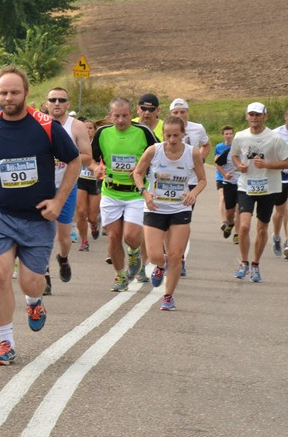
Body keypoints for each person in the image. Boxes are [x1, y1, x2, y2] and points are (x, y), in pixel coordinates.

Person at [0, 66, 79, 366]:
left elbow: (74, 161)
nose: (8, 97)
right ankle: (5, 343)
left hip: (38, 217)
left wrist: (58, 200)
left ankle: (34, 302)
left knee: (30, 282)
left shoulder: (46, 126)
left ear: (27, 94)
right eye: (3, 92)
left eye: (14, 92)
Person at [132, 116, 207, 311]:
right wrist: (145, 193)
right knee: (156, 254)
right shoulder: (154, 150)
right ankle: (159, 266)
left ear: (183, 134)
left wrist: (193, 193)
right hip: (155, 207)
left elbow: (202, 180)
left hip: (179, 208)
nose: (172, 139)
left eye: (176, 135)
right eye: (168, 135)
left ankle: (168, 296)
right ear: (163, 134)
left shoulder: (193, 153)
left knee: (175, 255)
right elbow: (137, 173)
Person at [91, 98, 157, 291]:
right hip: (111, 192)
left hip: (135, 193)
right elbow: (90, 157)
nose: (120, 120)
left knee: (130, 236)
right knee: (113, 236)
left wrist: (141, 167)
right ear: (110, 116)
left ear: (131, 115)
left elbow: (159, 154)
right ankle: (120, 276)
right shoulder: (102, 133)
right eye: (116, 116)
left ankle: (134, 252)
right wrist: (95, 168)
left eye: (125, 116)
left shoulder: (143, 132)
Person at [229, 102, 288, 283]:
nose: (254, 118)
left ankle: (255, 264)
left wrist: (267, 165)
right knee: (245, 226)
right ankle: (244, 263)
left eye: (258, 115)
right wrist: (239, 165)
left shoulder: (275, 138)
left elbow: (287, 162)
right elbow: (234, 155)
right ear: (247, 116)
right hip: (246, 186)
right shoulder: (240, 136)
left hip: (268, 187)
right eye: (251, 115)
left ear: (265, 116)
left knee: (262, 229)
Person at [46, 87, 93, 288]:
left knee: (63, 237)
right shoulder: (37, 123)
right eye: (53, 100)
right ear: (46, 103)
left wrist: (66, 156)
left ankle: (63, 258)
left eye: (61, 100)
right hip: (41, 188)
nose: (57, 103)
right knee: (42, 234)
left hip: (66, 187)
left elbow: (87, 157)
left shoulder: (77, 126)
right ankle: (44, 275)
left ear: (68, 104)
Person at [74, 117, 102, 252]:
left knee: (91, 216)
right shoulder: (76, 143)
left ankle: (95, 224)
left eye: (90, 128)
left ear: (95, 131)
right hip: (80, 180)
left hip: (95, 182)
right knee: (80, 212)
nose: (87, 130)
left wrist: (98, 168)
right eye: (85, 127)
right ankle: (84, 241)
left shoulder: (99, 144)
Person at [214, 125, 239, 241]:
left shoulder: (236, 146)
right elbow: (216, 160)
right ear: (223, 135)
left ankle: (237, 233)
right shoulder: (219, 146)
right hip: (221, 177)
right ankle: (224, 221)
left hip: (236, 179)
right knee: (223, 198)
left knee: (238, 208)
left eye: (230, 134)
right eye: (226, 134)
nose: (228, 136)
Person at [272, 105, 288, 259]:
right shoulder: (276, 134)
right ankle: (277, 236)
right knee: (280, 213)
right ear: (285, 117)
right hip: (279, 177)